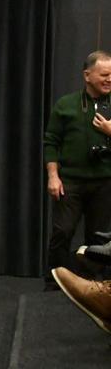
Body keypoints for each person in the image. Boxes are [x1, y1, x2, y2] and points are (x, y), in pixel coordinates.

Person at [43, 50, 111, 289]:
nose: (109, 79)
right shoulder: (66, 104)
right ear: (87, 75)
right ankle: (55, 281)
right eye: (104, 74)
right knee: (62, 231)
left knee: (99, 237)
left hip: (104, 182)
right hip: (70, 181)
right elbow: (50, 142)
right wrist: (53, 176)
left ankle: (93, 285)